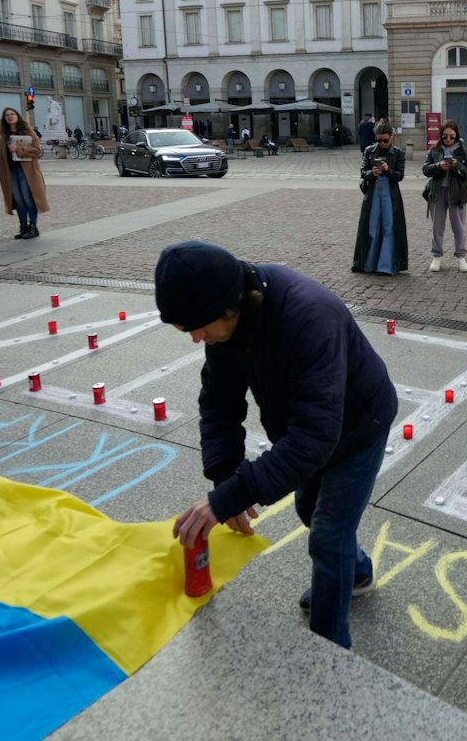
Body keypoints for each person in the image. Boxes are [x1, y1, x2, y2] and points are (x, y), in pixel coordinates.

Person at [160, 241, 398, 650]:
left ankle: (328, 650)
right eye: (185, 329)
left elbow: (316, 436)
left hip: (360, 425)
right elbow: (219, 404)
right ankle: (356, 573)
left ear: (229, 306)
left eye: (197, 326)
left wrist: (228, 499)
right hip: (310, 425)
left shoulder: (308, 315)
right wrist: (224, 480)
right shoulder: (224, 323)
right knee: (309, 509)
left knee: (327, 535)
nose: (196, 338)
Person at [352, 123, 409, 275]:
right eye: (379, 140)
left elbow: (399, 176)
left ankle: (386, 265)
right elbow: (363, 171)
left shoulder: (398, 153)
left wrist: (387, 170)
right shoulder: (369, 151)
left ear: (391, 137)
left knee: (389, 226)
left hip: (390, 193)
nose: (382, 143)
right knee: (371, 226)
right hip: (373, 191)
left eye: (385, 140)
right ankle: (368, 263)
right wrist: (372, 172)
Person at [422, 122, 467, 273]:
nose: (448, 139)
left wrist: (457, 165)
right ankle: (437, 256)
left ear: (456, 136)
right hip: (437, 192)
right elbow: (425, 169)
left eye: (452, 136)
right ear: (441, 135)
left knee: (459, 227)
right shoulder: (434, 150)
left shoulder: (463, 152)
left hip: (457, 194)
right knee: (437, 227)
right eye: (445, 136)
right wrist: (439, 166)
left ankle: (461, 257)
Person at [0, 106, 49, 239]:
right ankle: (23, 226)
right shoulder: (2, 133)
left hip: (27, 171)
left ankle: (33, 226)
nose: (10, 116)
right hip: (11, 171)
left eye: (12, 114)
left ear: (17, 116)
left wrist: (19, 149)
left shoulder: (27, 131)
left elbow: (37, 150)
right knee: (18, 200)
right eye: (7, 115)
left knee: (28, 198)